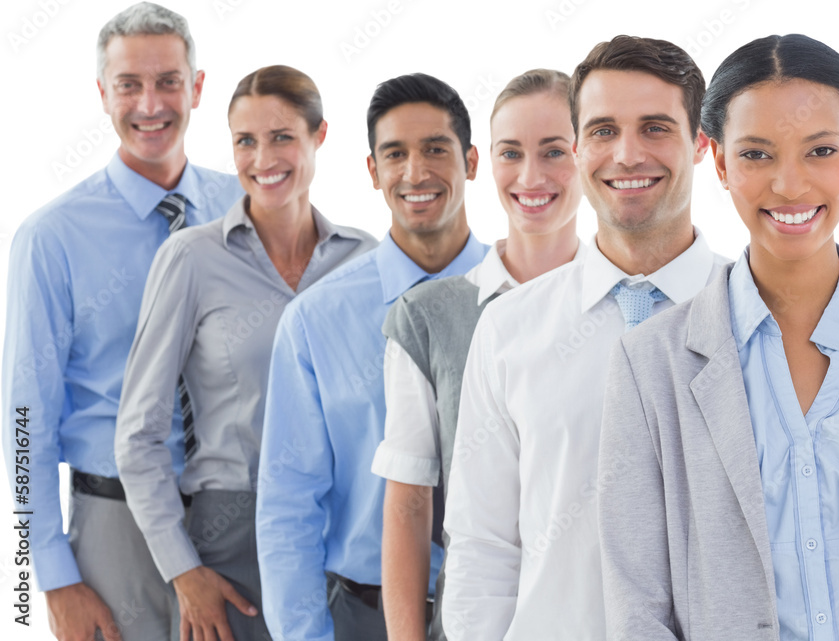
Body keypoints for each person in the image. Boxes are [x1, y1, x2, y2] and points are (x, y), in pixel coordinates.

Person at [597, 33, 839, 641]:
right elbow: (637, 603)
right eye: (757, 154)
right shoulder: (650, 362)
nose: (789, 185)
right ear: (721, 162)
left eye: (820, 151)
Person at [441, 36, 728, 640]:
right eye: (602, 131)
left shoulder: (765, 318)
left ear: (702, 143)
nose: (626, 154)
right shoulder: (508, 329)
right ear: (577, 147)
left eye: (655, 127)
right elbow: (482, 546)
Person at [1, 4, 243, 640]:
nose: (150, 103)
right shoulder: (50, 238)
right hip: (115, 528)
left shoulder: (244, 208)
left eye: (168, 81)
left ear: (196, 87)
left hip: (237, 516)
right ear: (102, 93)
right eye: (129, 84)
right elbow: (24, 420)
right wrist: (49, 578)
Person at [114, 64, 376, 641]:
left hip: (349, 534)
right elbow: (138, 433)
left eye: (282, 136)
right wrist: (183, 570)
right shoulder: (192, 259)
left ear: (320, 136)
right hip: (233, 536)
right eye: (245, 141)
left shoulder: (364, 260)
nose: (263, 158)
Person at [256, 73, 490, 641]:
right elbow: (289, 504)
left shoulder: (522, 301)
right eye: (395, 154)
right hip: (363, 614)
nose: (416, 172)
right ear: (372, 171)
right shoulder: (315, 320)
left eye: (436, 149)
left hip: (501, 608)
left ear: (472, 161)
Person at [372, 68, 584, 641]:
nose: (530, 175)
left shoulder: (634, 307)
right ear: (484, 162)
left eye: (554, 151)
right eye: (510, 152)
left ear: (589, 153)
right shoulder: (428, 318)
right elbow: (409, 506)